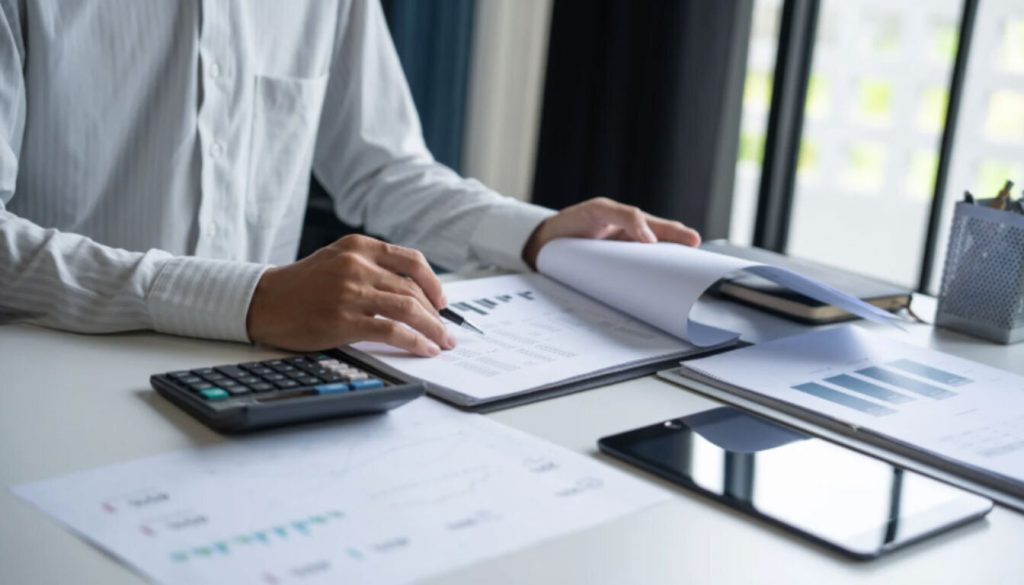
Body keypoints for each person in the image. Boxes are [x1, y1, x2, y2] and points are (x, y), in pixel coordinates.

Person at [0, 0, 700, 357]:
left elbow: (384, 168)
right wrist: (248, 297)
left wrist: (538, 231)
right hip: (49, 377)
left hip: (261, 376)